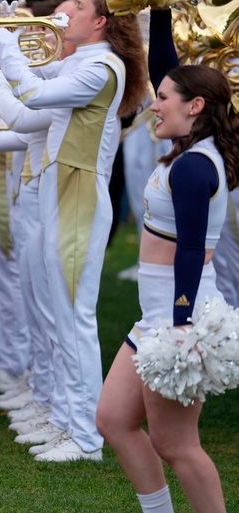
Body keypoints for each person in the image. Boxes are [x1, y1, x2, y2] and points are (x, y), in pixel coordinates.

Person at [0, 0, 148, 462]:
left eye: (77, 7)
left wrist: (4, 44)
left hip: (78, 200)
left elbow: (32, 92)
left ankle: (85, 437)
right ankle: (63, 418)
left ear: (100, 21)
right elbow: (29, 102)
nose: (65, 14)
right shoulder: (82, 61)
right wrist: (0, 53)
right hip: (60, 194)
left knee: (73, 320)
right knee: (56, 314)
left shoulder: (101, 66)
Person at [96, 64, 237, 513]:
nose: (153, 105)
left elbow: (192, 251)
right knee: (114, 420)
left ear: (195, 106)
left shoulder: (195, 166)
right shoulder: (189, 149)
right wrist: (154, 0)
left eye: (164, 98)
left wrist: (180, 325)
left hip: (179, 321)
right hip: (155, 318)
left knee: (176, 445)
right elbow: (163, 62)